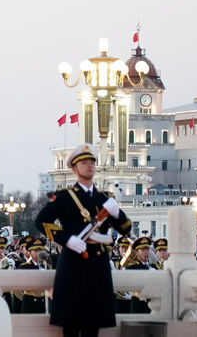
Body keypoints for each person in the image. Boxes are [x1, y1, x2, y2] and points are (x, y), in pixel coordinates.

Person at [32, 143, 132, 337]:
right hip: (73, 263)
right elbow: (41, 221)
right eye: (84, 162)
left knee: (93, 326)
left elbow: (126, 228)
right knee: (70, 324)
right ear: (74, 168)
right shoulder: (64, 197)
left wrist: (116, 212)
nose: (89, 166)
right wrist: (66, 239)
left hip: (97, 264)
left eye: (92, 162)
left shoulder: (104, 199)